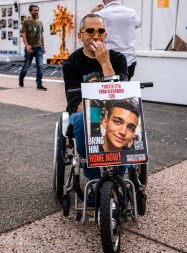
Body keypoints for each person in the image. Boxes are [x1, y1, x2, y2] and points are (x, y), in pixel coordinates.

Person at [62, 13, 128, 180]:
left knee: (130, 121)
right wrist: (102, 113)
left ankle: (119, 176)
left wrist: (105, 63)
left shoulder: (118, 59)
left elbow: (122, 95)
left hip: (116, 111)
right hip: (83, 113)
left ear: (106, 35)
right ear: (80, 36)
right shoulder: (71, 63)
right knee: (84, 120)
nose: (96, 36)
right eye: (90, 31)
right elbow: (75, 103)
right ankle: (93, 178)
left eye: (100, 31)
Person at [91, 0, 141, 80]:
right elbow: (138, 24)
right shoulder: (131, 12)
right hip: (129, 60)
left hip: (108, 60)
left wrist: (92, 12)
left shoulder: (99, 15)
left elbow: (86, 26)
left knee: (107, 89)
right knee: (124, 89)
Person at [19, 4, 47, 90]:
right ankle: (21, 78)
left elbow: (41, 35)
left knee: (40, 66)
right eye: (34, 10)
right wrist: (27, 46)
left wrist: (43, 47)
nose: (36, 12)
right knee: (27, 66)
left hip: (38, 47)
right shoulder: (26, 22)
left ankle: (39, 84)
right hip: (29, 48)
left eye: (37, 10)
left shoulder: (40, 22)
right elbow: (23, 35)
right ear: (30, 11)